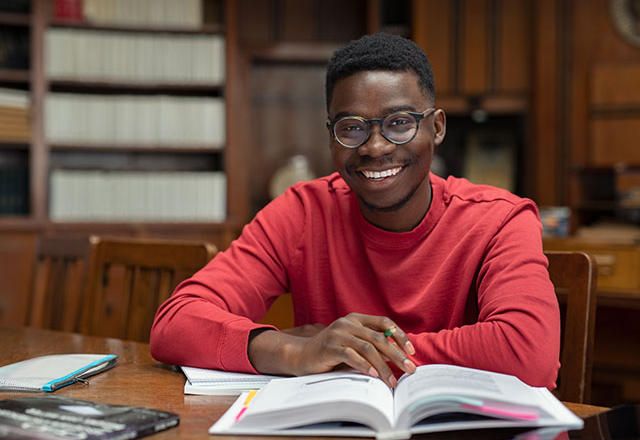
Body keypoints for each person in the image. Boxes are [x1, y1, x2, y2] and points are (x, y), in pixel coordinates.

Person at [150, 33, 560, 390]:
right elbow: (175, 324)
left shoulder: (500, 219)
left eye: (399, 123)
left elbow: (528, 352)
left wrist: (354, 352)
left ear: (436, 128)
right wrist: (296, 351)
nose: (375, 147)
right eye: (351, 128)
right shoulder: (302, 212)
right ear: (331, 135)